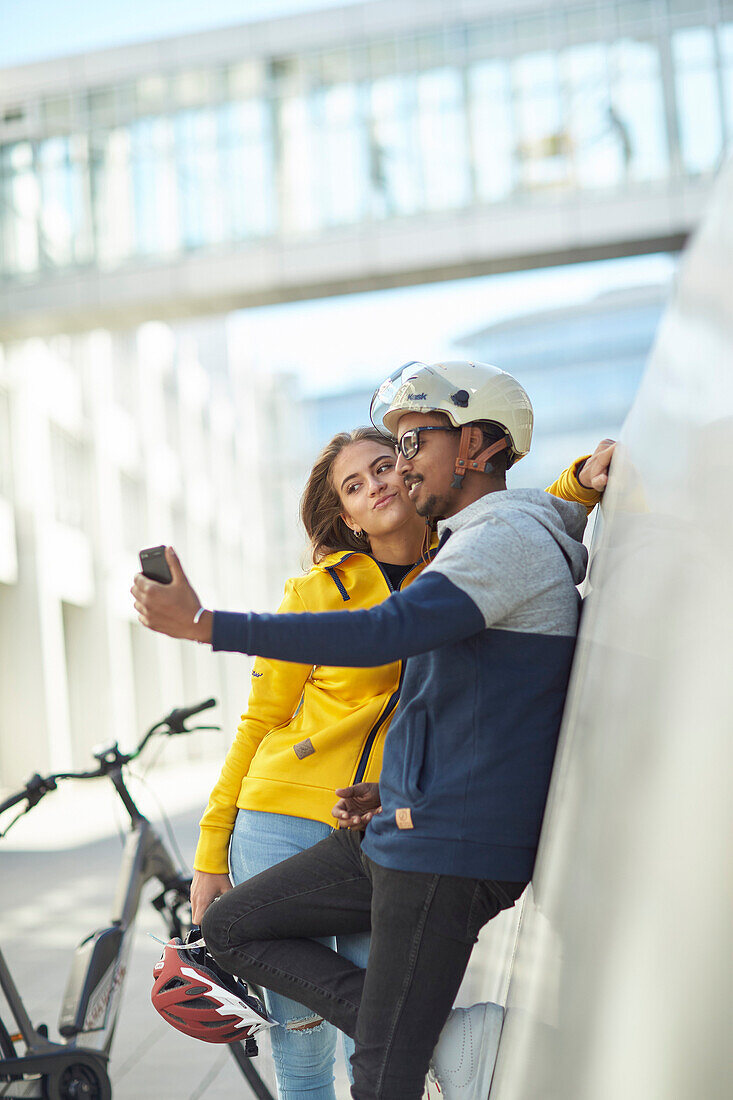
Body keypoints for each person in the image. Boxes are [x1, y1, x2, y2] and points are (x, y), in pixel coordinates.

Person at [132, 360, 604, 1100]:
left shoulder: (487, 544)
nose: (398, 470)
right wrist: (212, 846)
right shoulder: (453, 548)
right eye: (367, 475)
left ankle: (413, 1036)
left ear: (477, 444)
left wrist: (203, 624)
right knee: (232, 929)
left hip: (439, 840)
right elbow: (262, 717)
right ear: (344, 517)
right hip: (367, 827)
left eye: (408, 446)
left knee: (379, 1073)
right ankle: (441, 1035)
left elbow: (391, 627)